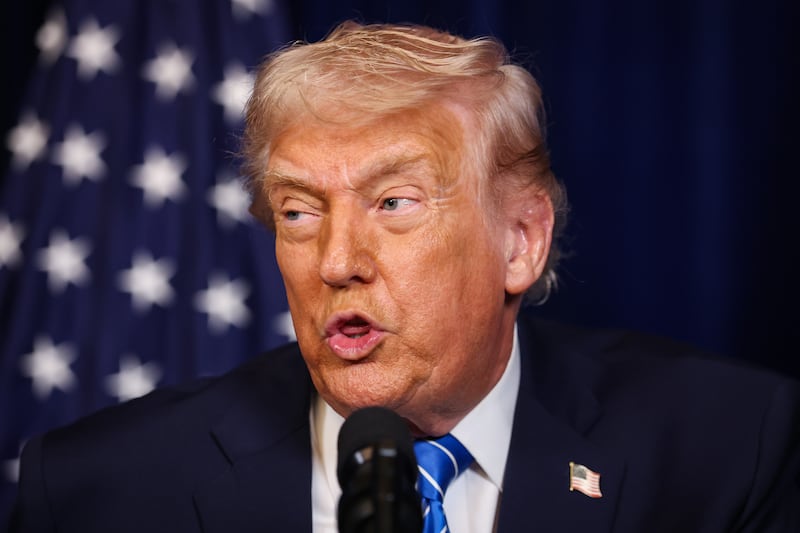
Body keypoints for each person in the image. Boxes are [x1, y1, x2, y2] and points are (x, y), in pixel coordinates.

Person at [10, 21, 800, 533]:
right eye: (297, 211)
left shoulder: (727, 450)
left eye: (393, 201)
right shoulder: (94, 492)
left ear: (520, 240)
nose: (337, 260)